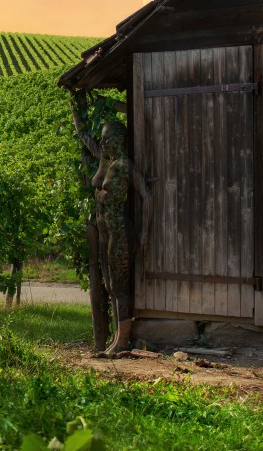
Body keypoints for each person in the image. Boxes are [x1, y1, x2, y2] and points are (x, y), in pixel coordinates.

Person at [71, 93, 150, 354]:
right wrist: (76, 114)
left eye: (107, 139)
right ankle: (117, 339)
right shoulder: (106, 162)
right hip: (106, 231)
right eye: (102, 139)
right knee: (110, 285)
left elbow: (146, 198)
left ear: (118, 139)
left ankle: (123, 340)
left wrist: (144, 235)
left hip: (119, 231)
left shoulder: (125, 166)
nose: (103, 143)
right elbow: (88, 141)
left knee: (119, 286)